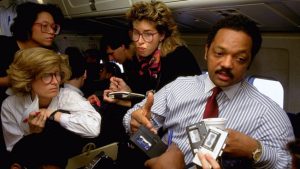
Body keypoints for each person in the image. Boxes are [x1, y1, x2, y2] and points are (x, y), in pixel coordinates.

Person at [123, 15, 295, 169]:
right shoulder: (178, 87)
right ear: (206, 52)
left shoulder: (269, 113)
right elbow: (133, 115)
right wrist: (134, 121)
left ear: (249, 63)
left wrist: (255, 150)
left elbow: (289, 162)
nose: (227, 64)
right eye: (219, 53)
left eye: (240, 58)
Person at [1, 47, 101, 168]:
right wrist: (32, 134)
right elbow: (14, 151)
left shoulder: (68, 96)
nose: (55, 82)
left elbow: (93, 128)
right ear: (28, 78)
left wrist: (53, 114)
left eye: (57, 74)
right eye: (47, 75)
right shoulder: (11, 105)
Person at [103, 0, 202, 108]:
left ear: (162, 35)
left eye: (148, 34)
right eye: (136, 33)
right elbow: (145, 99)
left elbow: (171, 107)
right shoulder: (139, 60)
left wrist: (128, 101)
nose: (139, 41)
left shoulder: (179, 58)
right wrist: (128, 93)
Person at [0, 2, 64, 168]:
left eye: (54, 27)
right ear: (28, 24)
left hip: (31, 118)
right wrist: (8, 80)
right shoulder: (3, 46)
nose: (51, 31)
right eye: (44, 26)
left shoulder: (51, 52)